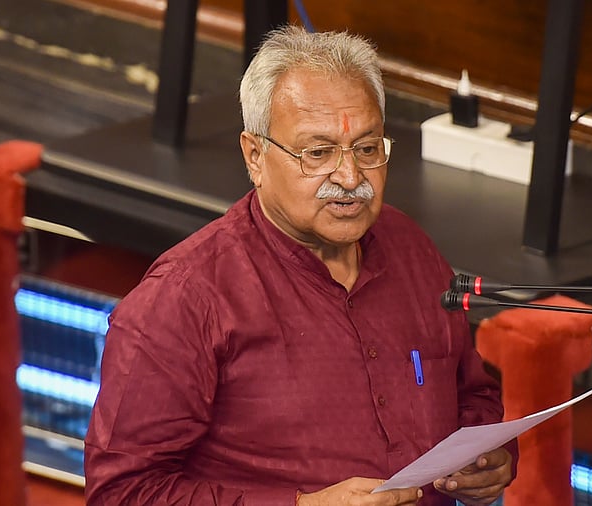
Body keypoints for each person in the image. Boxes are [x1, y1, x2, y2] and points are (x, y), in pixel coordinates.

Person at [84, 25, 516, 506]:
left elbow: (471, 394)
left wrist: (488, 458)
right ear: (255, 156)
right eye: (318, 153)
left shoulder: (410, 249)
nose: (350, 177)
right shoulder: (184, 299)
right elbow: (122, 493)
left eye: (367, 149)